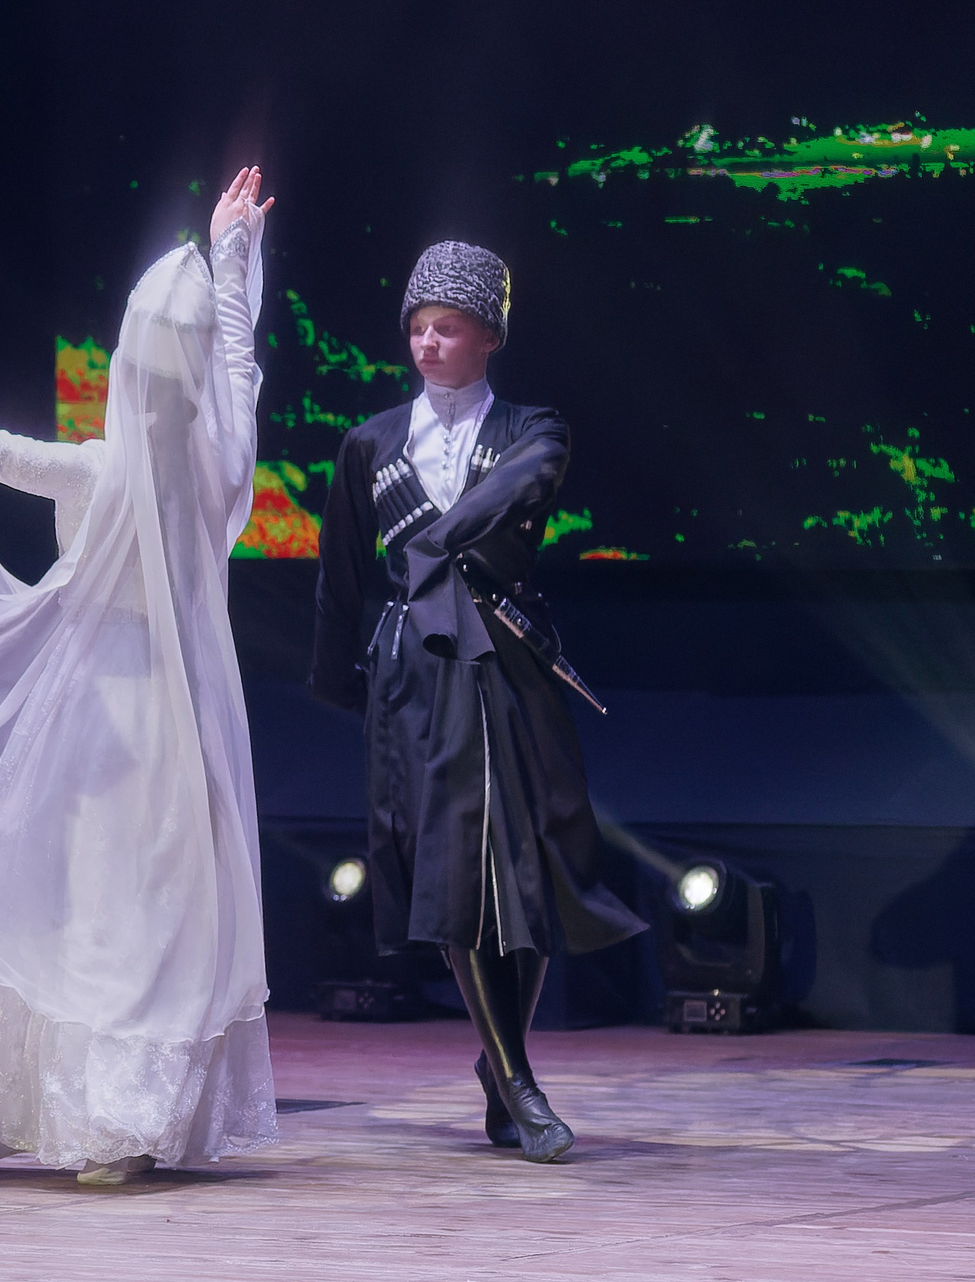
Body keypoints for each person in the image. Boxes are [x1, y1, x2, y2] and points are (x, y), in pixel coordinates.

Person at [0, 168, 277, 1185]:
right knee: (150, 909)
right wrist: (233, 256)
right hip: (167, 723)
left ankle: (100, 1118)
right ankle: (118, 1122)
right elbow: (238, 363)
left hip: (103, 722)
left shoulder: (103, 468)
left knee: (80, 905)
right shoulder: (219, 464)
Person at [310, 241, 646, 1163]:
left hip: (511, 664)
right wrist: (339, 681)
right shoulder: (369, 444)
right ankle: (521, 1086)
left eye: (447, 327)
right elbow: (341, 573)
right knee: (454, 873)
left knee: (532, 869)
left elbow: (512, 496)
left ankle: (501, 1069)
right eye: (416, 327)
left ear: (488, 336)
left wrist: (427, 547)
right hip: (420, 676)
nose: (426, 343)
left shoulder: (536, 430)